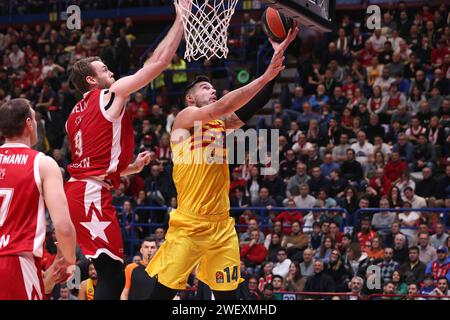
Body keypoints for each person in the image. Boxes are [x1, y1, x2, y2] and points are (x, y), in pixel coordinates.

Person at [146, 28, 299, 300]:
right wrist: (263, 76)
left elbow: (254, 104)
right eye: (206, 87)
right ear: (191, 98)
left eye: (213, 87)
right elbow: (219, 108)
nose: (213, 89)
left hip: (221, 226)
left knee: (229, 298)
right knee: (162, 294)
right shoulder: (186, 117)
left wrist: (274, 66)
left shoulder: (220, 124)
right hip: (189, 225)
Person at [64, 1, 190, 300]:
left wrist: (130, 167)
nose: (111, 72)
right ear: (92, 80)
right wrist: (181, 20)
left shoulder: (73, 114)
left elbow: (92, 158)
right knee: (112, 275)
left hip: (82, 190)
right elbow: (157, 64)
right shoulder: (109, 95)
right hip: (89, 193)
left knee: (111, 273)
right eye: (104, 69)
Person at [0, 99, 76, 300]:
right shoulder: (42, 163)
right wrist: (69, 260)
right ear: (29, 123)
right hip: (13, 260)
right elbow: (63, 226)